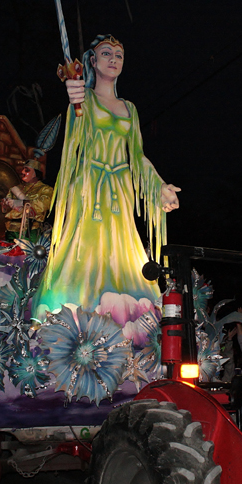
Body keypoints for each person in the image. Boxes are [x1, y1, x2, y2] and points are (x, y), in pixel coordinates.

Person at [33, 35, 180, 317]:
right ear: (92, 61)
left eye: (118, 55)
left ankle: (129, 315)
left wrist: (159, 186)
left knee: (124, 253)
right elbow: (77, 129)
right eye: (106, 53)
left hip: (119, 190)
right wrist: (76, 97)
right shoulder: (85, 99)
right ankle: (73, 313)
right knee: (85, 249)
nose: (113, 59)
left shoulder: (130, 109)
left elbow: (137, 157)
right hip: (90, 187)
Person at [2, 159, 54, 242]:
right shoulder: (16, 188)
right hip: (11, 229)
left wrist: (22, 203)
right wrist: (5, 204)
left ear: (35, 173)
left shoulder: (45, 189)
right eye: (23, 169)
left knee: (27, 254)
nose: (22, 172)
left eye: (27, 170)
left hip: (30, 230)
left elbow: (43, 205)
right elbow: (6, 209)